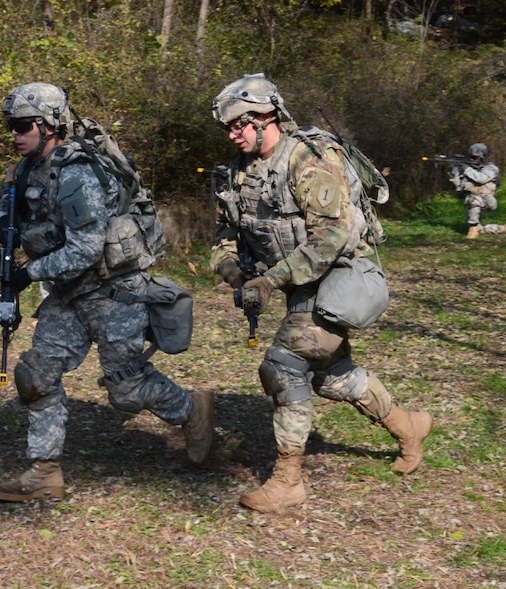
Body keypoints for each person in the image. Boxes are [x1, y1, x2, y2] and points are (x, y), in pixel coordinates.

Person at [208, 73, 433, 513]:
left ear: (266, 116)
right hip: (299, 283)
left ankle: (288, 480)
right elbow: (222, 238)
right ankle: (409, 428)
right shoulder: (238, 173)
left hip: (342, 276)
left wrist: (270, 281)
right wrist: (237, 274)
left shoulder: (309, 159)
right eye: (228, 127)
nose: (233, 134)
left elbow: (331, 238)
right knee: (333, 377)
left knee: (283, 365)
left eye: (239, 123)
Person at [0, 82, 213, 502]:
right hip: (68, 294)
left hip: (112, 292)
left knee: (127, 390)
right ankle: (44, 471)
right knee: (35, 375)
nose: (14, 135)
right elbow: (1, 202)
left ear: (49, 125)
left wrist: (28, 273)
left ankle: (192, 410)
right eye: (10, 127)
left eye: (22, 126)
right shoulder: (27, 167)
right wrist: (4, 224)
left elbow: (86, 250)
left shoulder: (77, 174)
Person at [448, 143, 504, 239]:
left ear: (483, 157)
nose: (472, 159)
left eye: (475, 157)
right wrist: (455, 169)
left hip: (487, 199)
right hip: (472, 201)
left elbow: (481, 179)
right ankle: (501, 228)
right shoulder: (469, 168)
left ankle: (472, 229)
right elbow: (458, 185)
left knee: (472, 199)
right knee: (478, 228)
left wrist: (467, 169)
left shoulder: (491, 168)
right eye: (471, 157)